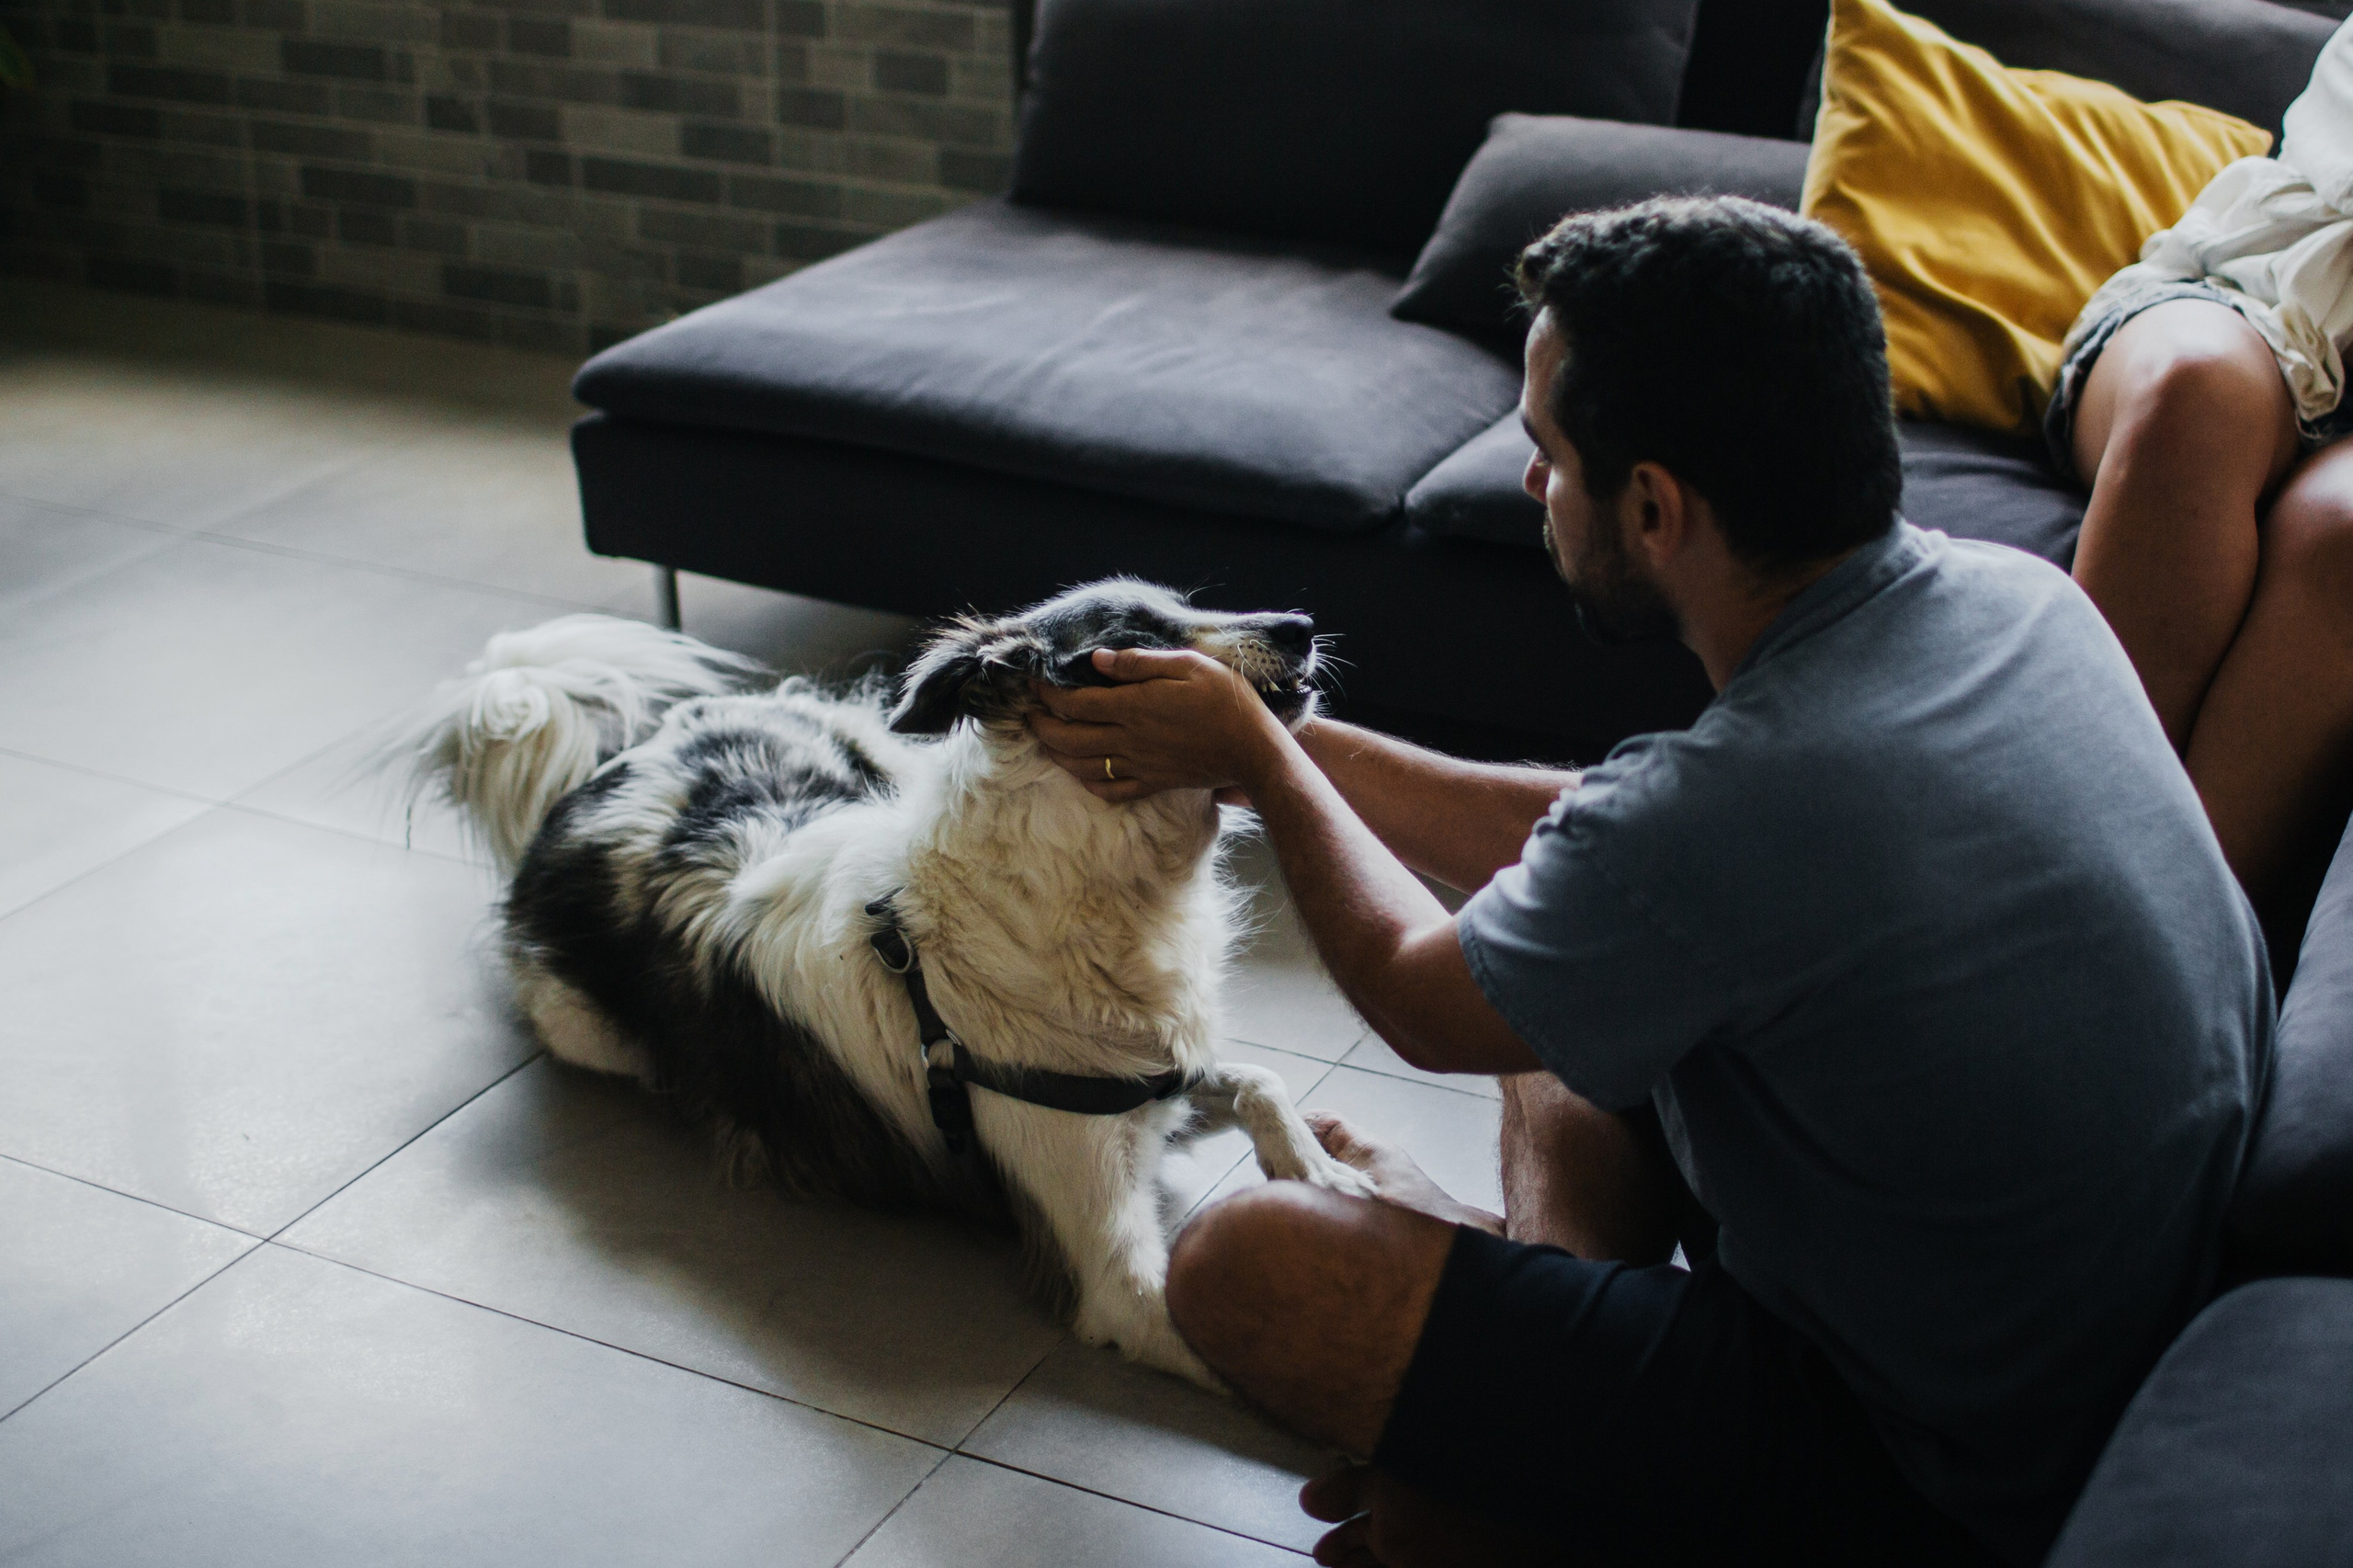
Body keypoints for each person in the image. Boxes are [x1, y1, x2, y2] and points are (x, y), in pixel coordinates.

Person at [1028, 198, 2269, 1567]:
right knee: (1552, 980)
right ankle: (1533, 1422)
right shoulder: (2013, 600)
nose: (1528, 483)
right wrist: (1286, 737)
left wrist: (1258, 766)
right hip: (2081, 1347)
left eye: (1549, 455)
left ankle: (1524, 1496)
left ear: (1655, 507)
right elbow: (1601, 849)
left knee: (1237, 1263)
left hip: (1927, 1473)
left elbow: (1422, 1001)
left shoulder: (1750, 791)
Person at [2052, 11, 2353, 966]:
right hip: (2255, 298)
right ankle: (2017, 879)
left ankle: (2142, 977)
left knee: (2345, 532)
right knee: (2195, 394)